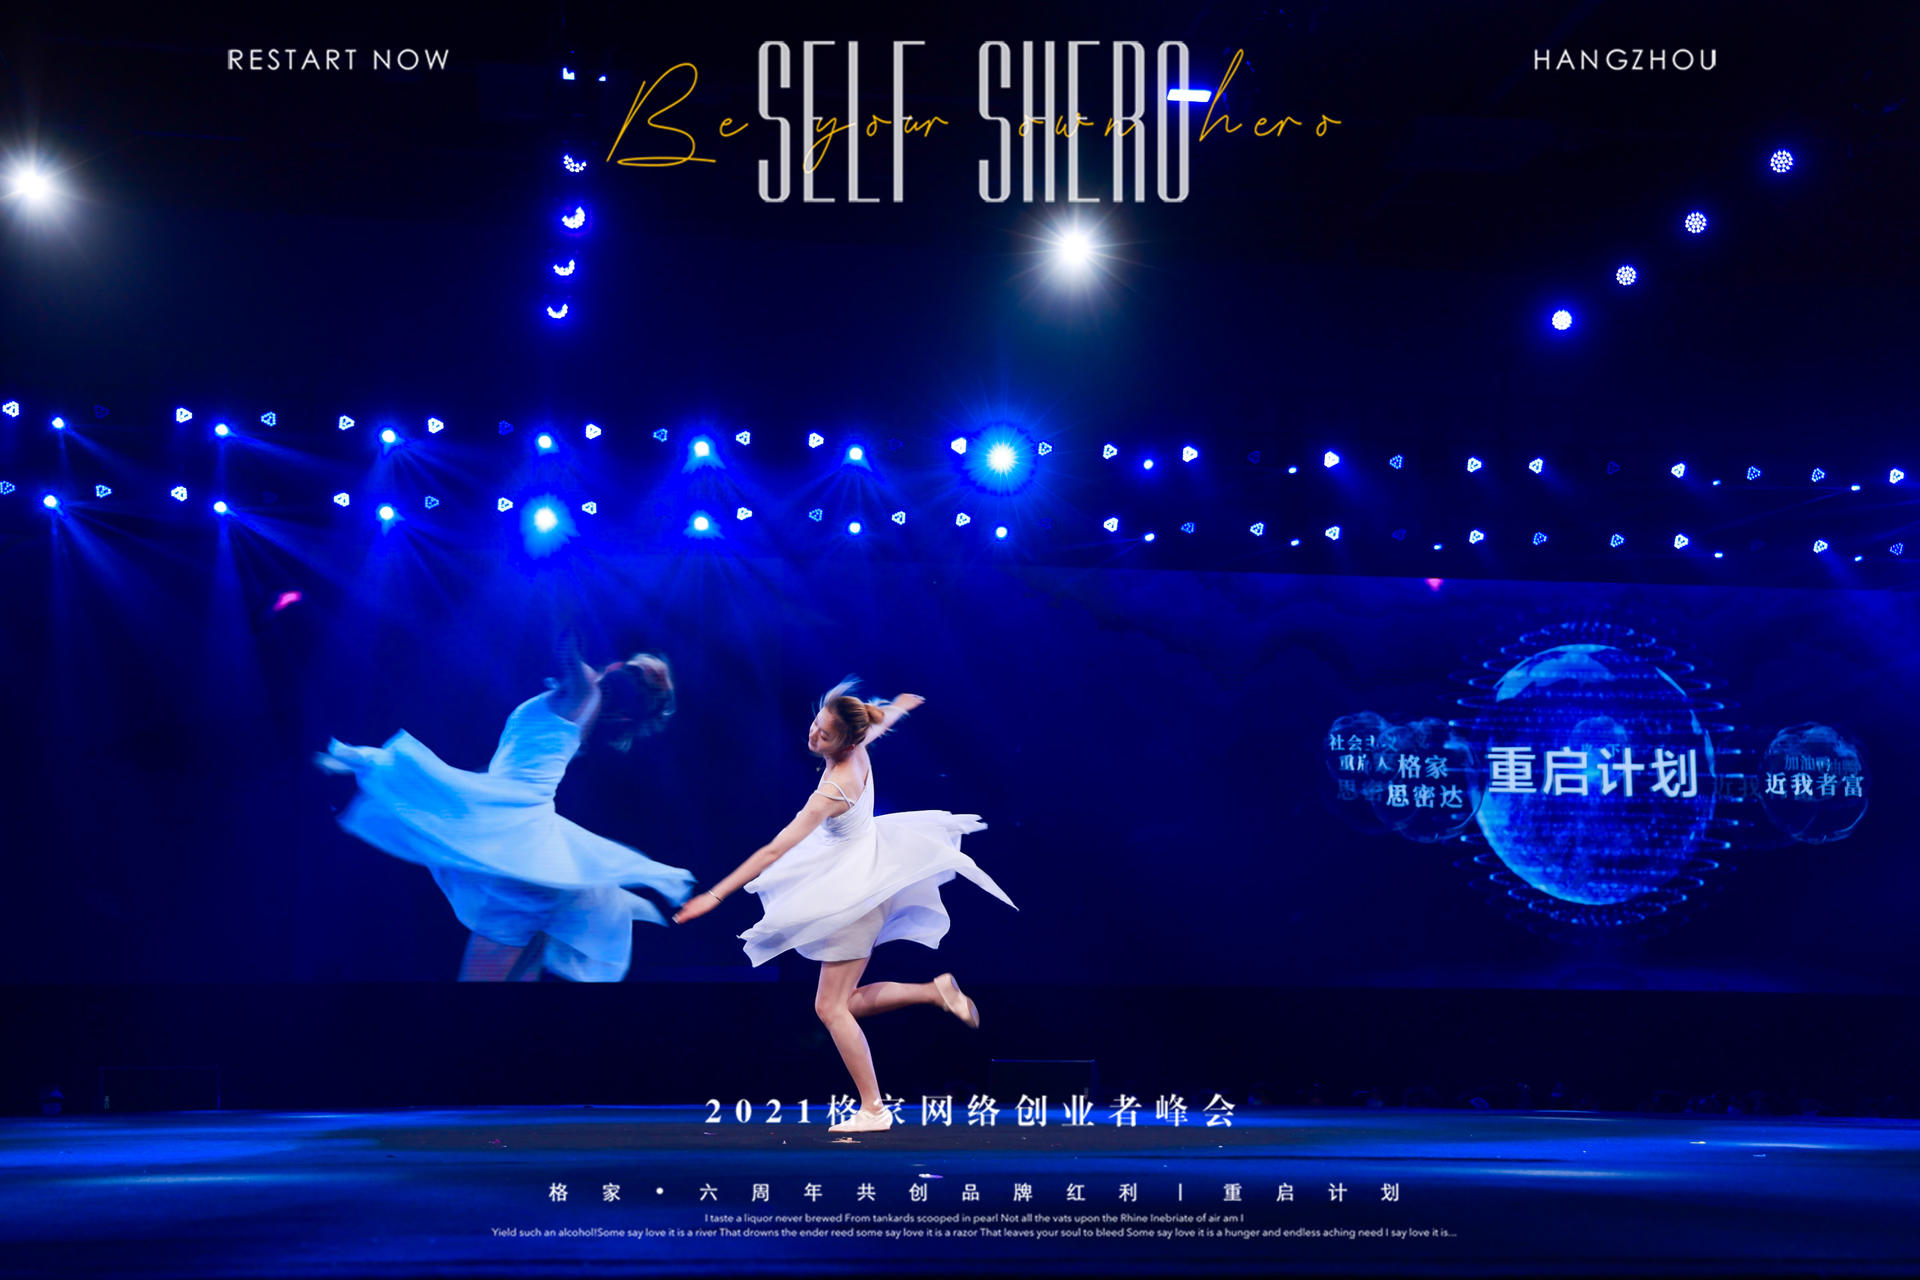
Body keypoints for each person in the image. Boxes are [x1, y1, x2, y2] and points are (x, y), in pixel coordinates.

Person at [673, 681, 1015, 1133]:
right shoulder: (857, 746)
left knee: (832, 1009)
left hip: (854, 894)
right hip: (868, 876)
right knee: (840, 1003)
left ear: (847, 741)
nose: (815, 735)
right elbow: (878, 724)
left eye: (826, 734)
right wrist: (898, 707)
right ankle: (933, 993)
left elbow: (773, 851)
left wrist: (715, 895)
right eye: (816, 725)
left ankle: (874, 1108)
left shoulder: (832, 790)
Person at [316, 631, 695, 981]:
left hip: (525, 859)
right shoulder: (582, 702)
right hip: (531, 852)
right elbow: (506, 774)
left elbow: (565, 638)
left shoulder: (584, 693)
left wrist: (561, 584)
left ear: (617, 670)